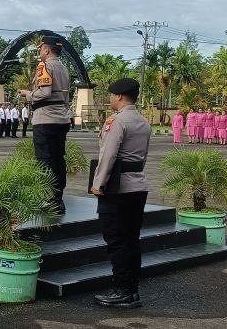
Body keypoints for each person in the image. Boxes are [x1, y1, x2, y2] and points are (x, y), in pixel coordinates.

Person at [90, 78, 150, 309]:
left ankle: (122, 291)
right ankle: (131, 289)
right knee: (131, 241)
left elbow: (108, 155)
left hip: (118, 188)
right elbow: (142, 157)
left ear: (120, 96)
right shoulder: (143, 122)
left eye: (112, 95)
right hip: (137, 185)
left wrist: (99, 183)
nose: (110, 99)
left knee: (116, 241)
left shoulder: (117, 121)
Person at [18, 36, 71, 215]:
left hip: (46, 118)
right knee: (57, 159)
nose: (40, 52)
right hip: (61, 118)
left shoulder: (45, 65)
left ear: (46, 50)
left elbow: (45, 92)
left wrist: (28, 94)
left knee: (44, 160)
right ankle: (58, 198)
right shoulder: (63, 67)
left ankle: (49, 198)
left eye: (40, 49)